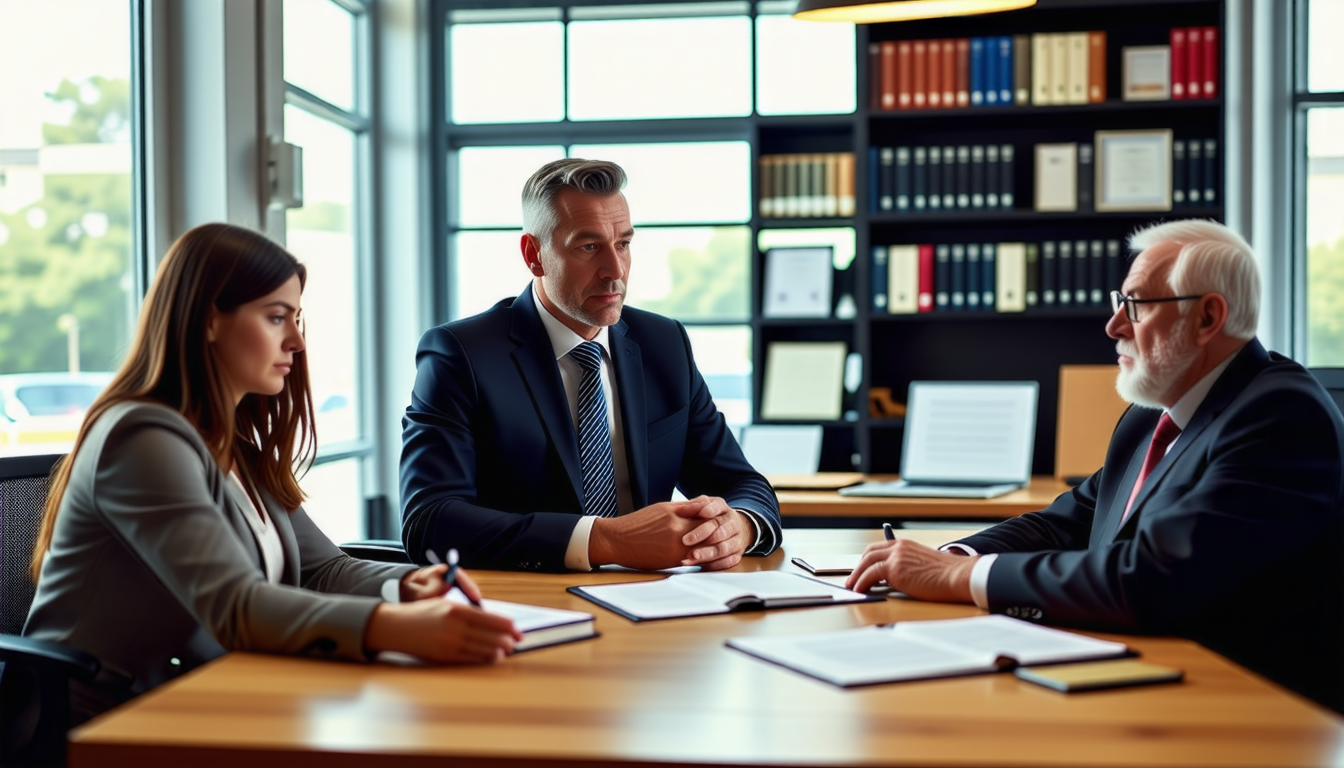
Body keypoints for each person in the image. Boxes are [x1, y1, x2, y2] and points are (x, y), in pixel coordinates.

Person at [19, 223, 521, 731]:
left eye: (296, 318)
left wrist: (408, 586)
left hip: (204, 694)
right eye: (276, 317)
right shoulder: (142, 437)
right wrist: (393, 627)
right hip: (96, 722)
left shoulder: (234, 445)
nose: (297, 341)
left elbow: (322, 569)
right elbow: (235, 606)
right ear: (208, 319)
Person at [846, 219, 1344, 713]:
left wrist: (960, 578)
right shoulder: (1154, 416)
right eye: (1119, 302)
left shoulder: (1279, 414)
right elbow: (1068, 521)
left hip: (1243, 711)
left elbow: (1150, 578)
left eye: (1137, 305)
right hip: (1148, 674)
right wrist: (952, 555)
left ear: (1208, 317)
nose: (1114, 325)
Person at [401, 158, 781, 572]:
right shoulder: (462, 354)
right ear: (534, 255)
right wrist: (607, 541)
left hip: (660, 599)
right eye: (588, 247)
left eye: (623, 244)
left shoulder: (664, 343)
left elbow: (741, 483)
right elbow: (429, 522)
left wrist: (739, 527)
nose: (615, 271)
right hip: (530, 604)